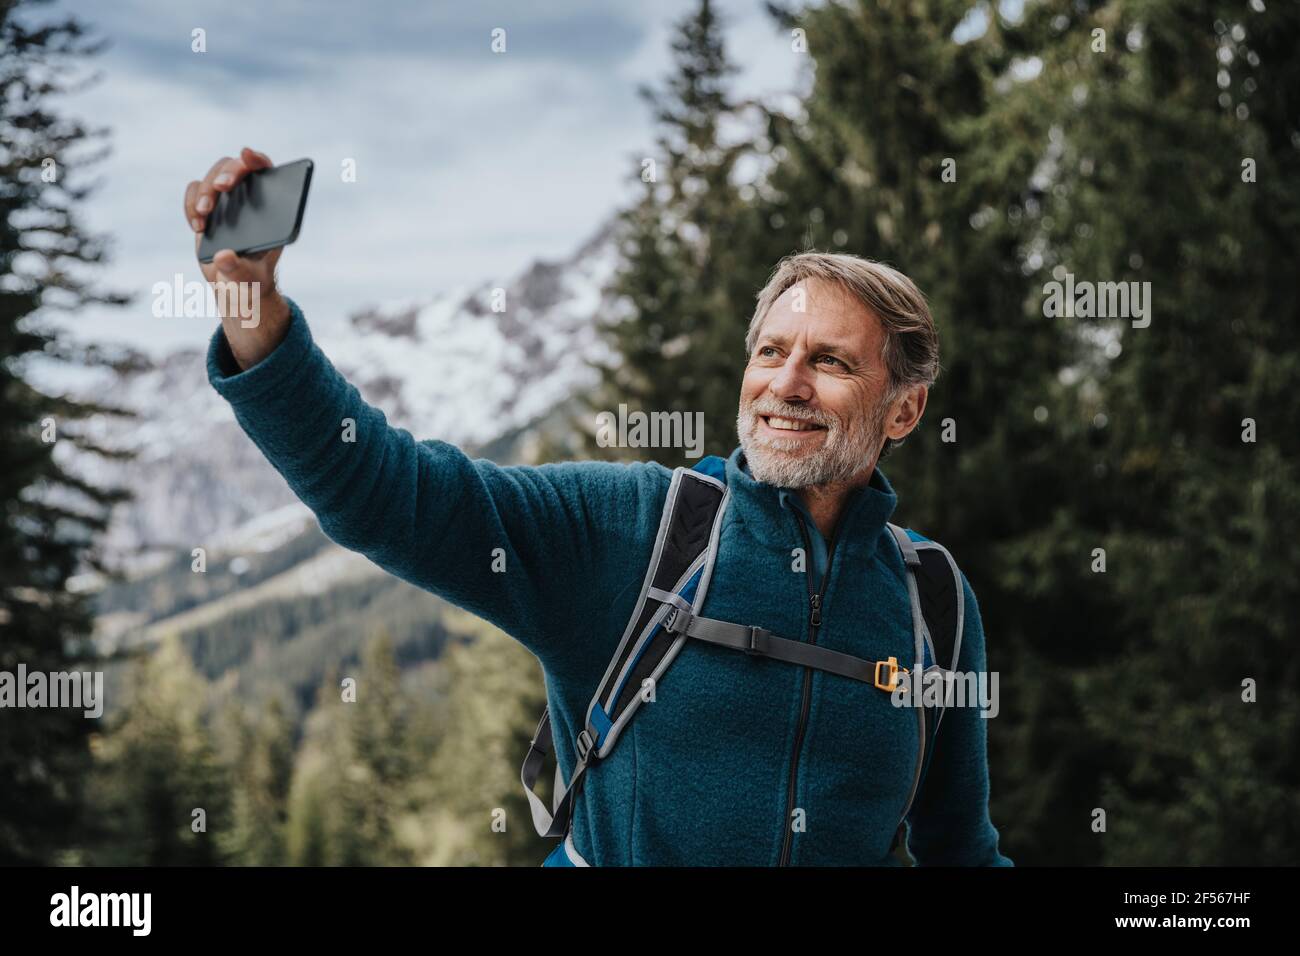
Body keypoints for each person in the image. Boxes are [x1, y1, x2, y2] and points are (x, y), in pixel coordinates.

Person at [184, 147, 1013, 866]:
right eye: (770, 351)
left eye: (829, 361)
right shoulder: (636, 530)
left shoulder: (931, 602)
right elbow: (387, 496)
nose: (785, 384)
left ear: (903, 410)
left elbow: (960, 850)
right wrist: (254, 315)